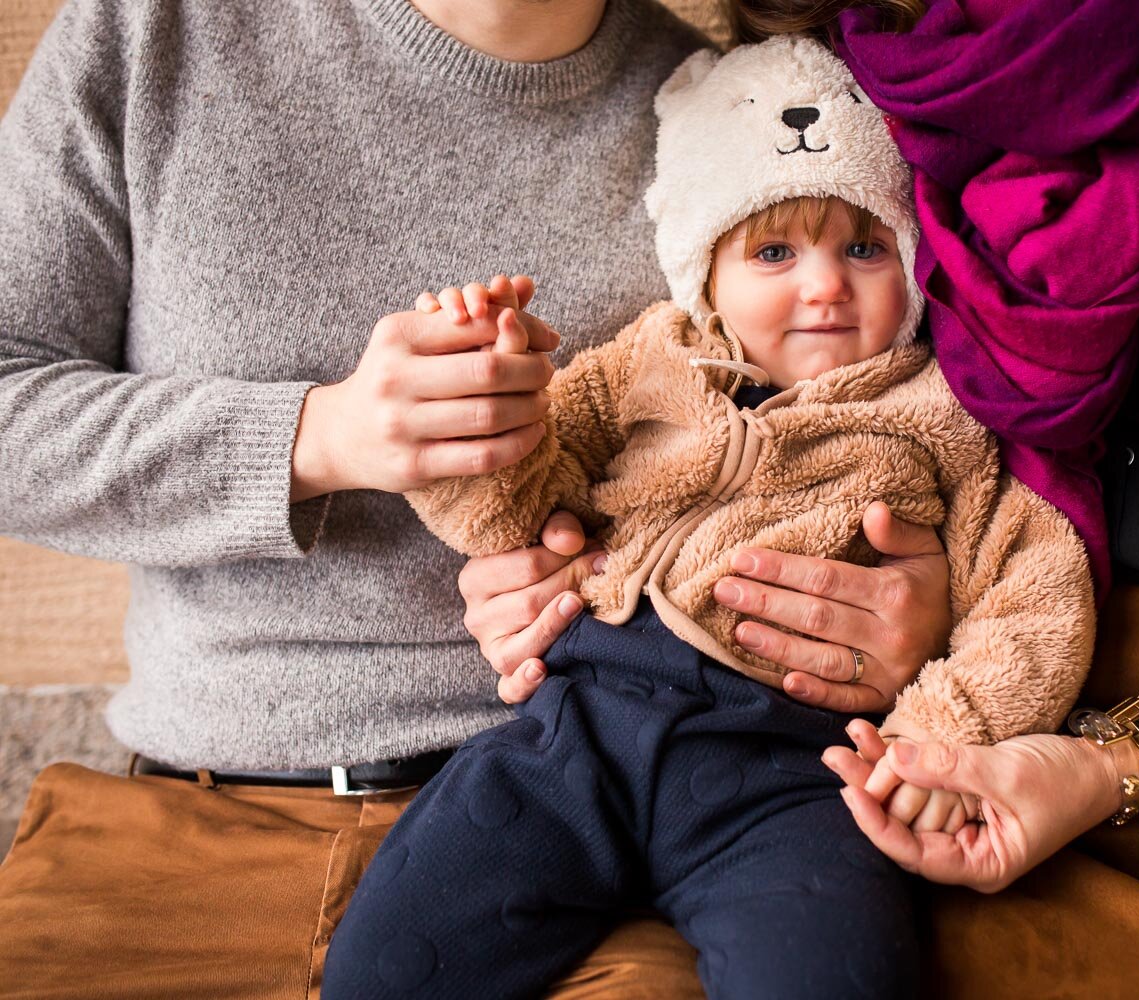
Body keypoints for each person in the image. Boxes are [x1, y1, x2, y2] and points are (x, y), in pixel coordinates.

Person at [484, 0, 1139, 994]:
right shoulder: (846, 43)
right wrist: (550, 565)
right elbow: (732, 411)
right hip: (918, 769)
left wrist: (1110, 759)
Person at [0, 2, 957, 996]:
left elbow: (866, 437)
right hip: (200, 823)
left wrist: (912, 621)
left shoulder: (730, 112)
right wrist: (320, 436)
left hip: (597, 815)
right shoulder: (153, 32)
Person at [321, 36, 1093, 998]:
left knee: (837, 976)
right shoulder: (645, 363)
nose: (823, 285)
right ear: (705, 275)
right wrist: (495, 395)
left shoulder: (942, 413)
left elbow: (1036, 585)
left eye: (865, 247)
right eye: (774, 251)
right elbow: (518, 507)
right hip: (577, 732)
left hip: (791, 772)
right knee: (390, 960)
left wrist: (940, 740)